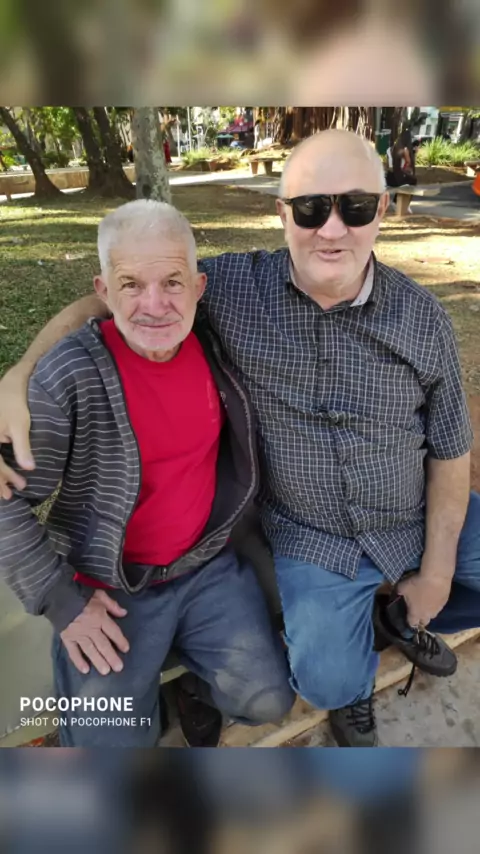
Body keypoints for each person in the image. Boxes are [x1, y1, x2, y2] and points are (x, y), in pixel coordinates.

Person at [0, 130, 478, 748]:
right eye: (311, 208)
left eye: (356, 207)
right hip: (278, 547)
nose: (331, 229)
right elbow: (124, 292)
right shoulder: (223, 297)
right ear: (282, 214)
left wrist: (437, 571)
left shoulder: (419, 319)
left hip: (375, 520)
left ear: (382, 209)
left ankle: (388, 619)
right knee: (120, 740)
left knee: (280, 687)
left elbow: (451, 449)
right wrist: (21, 371)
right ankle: (339, 658)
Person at [0, 199, 294, 748]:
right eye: (130, 284)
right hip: (109, 586)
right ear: (103, 290)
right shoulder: (71, 374)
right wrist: (62, 602)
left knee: (267, 702)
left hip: (206, 565)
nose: (155, 305)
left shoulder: (215, 345)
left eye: (173, 283)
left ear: (199, 288)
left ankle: (192, 687)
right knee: (107, 749)